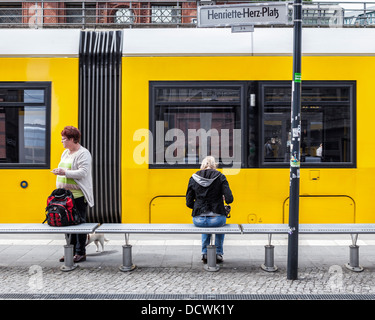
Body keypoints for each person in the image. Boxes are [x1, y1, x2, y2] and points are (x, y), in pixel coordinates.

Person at [51, 126, 94, 263]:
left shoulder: (83, 153)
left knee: (79, 225)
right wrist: (59, 171)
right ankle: (70, 251)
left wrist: (64, 172)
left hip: (77, 196)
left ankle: (80, 252)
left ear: (72, 139)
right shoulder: (66, 153)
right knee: (66, 224)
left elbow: (83, 172)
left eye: (64, 139)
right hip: (64, 196)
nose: (62, 142)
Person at [186, 156, 233, 264]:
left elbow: (188, 203)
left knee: (205, 224)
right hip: (217, 219)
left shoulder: (193, 178)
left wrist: (199, 207)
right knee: (219, 224)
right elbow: (230, 199)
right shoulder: (220, 177)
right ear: (214, 165)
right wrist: (223, 197)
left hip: (198, 220)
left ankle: (205, 253)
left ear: (203, 165)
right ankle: (218, 253)